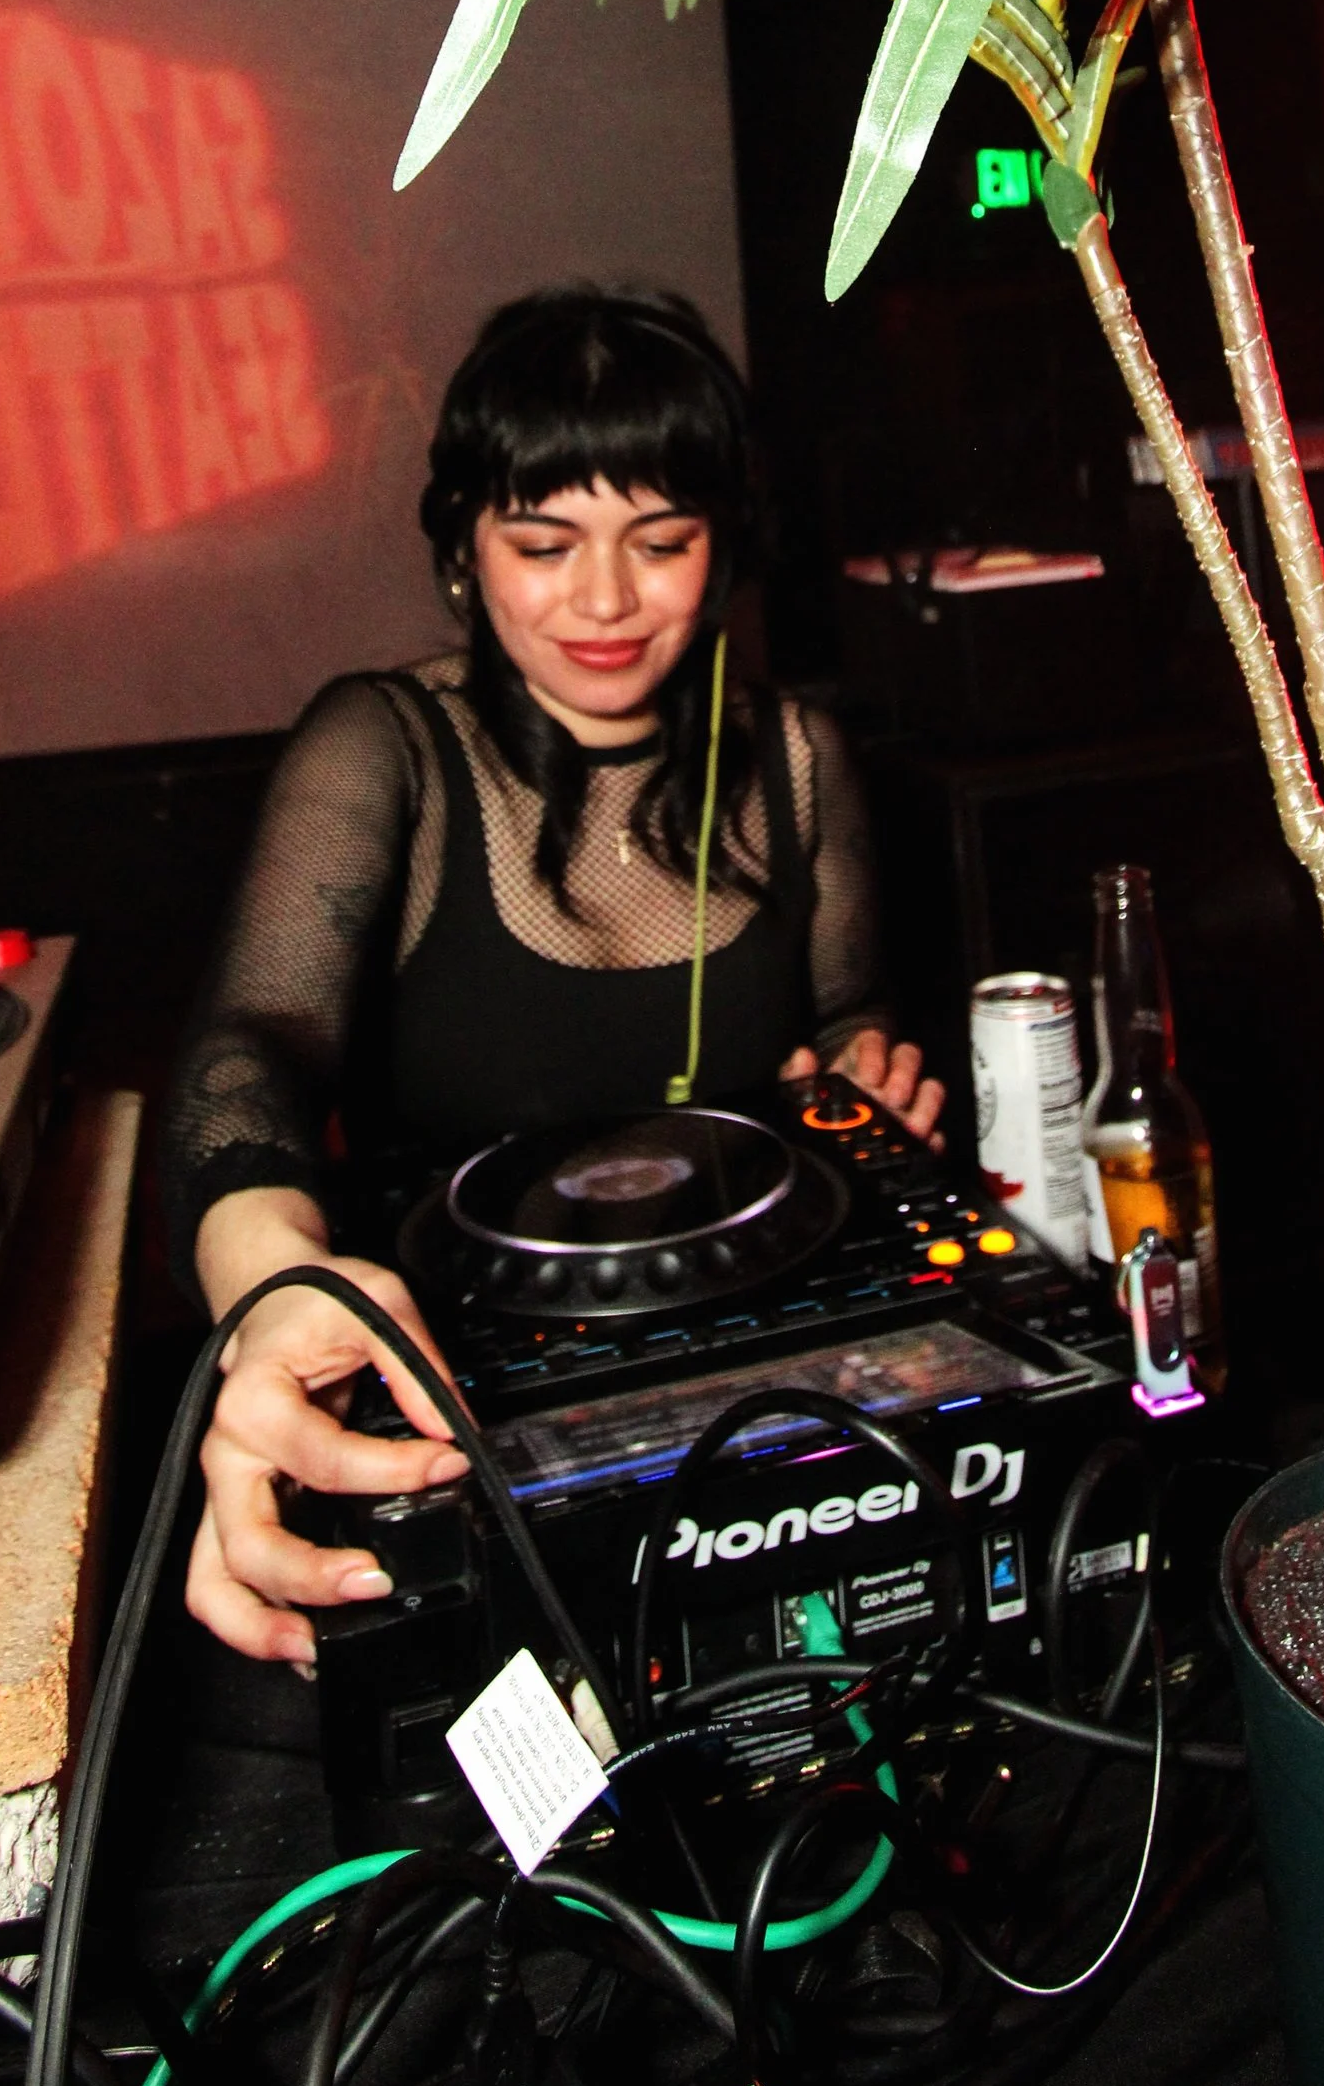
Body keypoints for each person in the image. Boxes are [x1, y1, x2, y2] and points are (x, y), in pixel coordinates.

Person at [163, 282, 944, 1666]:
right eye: (544, 540)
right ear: (465, 548)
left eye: (663, 541)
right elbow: (252, 1045)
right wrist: (276, 1279)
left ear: (725, 547)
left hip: (754, 1418)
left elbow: (849, 1005)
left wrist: (872, 1064)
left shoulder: (798, 758)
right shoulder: (384, 745)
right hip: (474, 1429)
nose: (605, 599)